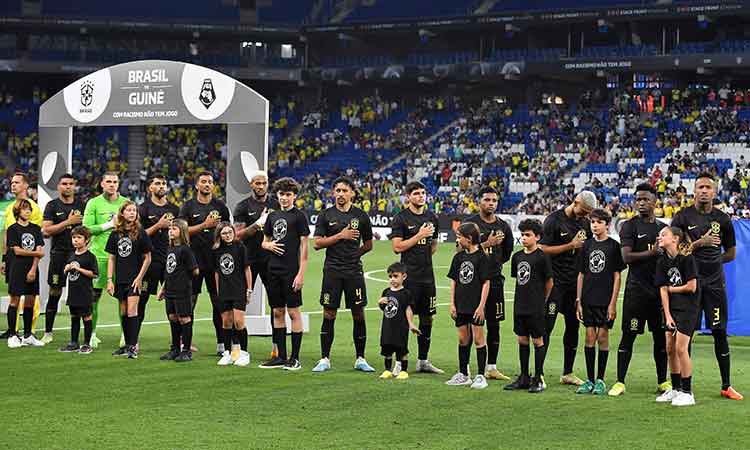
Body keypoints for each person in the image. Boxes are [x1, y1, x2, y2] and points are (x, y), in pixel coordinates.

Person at [671, 173, 743, 400]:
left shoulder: (722, 219)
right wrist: (700, 243)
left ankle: (726, 385)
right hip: (690, 284)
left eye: (707, 187)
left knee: (719, 332)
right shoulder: (682, 217)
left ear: (714, 192)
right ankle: (682, 388)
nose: (703, 190)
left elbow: (731, 253)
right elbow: (676, 252)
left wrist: (713, 261)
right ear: (694, 191)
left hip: (714, 285)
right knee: (686, 335)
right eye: (700, 186)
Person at [609, 183, 669, 397]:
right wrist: (653, 253)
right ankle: (620, 381)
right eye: (638, 199)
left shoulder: (663, 229)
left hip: (658, 293)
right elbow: (626, 258)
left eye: (645, 199)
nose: (641, 203)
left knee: (660, 339)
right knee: (629, 336)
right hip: (636, 292)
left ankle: (663, 382)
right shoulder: (629, 226)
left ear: (655, 201)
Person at [312, 177, 375, 373]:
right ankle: (324, 359)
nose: (340, 194)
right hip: (332, 270)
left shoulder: (361, 216)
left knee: (358, 313)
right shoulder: (325, 215)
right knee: (329, 312)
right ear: (333, 193)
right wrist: (340, 236)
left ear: (352, 194)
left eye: (344, 190)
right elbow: (317, 243)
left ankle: (360, 359)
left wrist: (355, 254)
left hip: (354, 271)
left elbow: (368, 244)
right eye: (337, 190)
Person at [540, 190, 597, 386]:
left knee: (573, 327)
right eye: (584, 211)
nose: (586, 216)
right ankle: (538, 372)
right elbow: (542, 249)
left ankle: (568, 373)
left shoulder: (585, 223)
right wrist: (570, 246)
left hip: (575, 284)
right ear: (575, 202)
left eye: (589, 213)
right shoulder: (553, 220)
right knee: (547, 326)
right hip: (555, 283)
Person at [390, 181, 443, 374]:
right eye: (416, 194)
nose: (421, 196)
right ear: (408, 197)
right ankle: (399, 362)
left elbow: (434, 244)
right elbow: (397, 247)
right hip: (409, 278)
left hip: (427, 277)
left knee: (428, 318)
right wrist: (419, 235)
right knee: (404, 318)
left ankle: (423, 360)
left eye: (423, 193)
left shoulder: (432, 218)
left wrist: (425, 257)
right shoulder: (401, 218)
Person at [258, 177, 309, 370]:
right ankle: (280, 356)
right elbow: (264, 241)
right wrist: (267, 244)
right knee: (277, 311)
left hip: (291, 271)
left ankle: (294, 358)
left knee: (293, 312)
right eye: (281, 194)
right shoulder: (272, 216)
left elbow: (305, 248)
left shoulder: (299, 217)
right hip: (273, 270)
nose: (284, 198)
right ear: (277, 196)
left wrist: (301, 274)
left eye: (288, 194)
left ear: (294, 196)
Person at [464, 186, 513, 381]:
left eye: (494, 200)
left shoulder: (504, 226)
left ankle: (491, 367)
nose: (491, 203)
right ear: (479, 202)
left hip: (495, 282)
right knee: (469, 324)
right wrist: (486, 244)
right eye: (487, 200)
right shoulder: (470, 224)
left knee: (494, 324)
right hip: (472, 284)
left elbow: (507, 253)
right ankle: (465, 366)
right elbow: (460, 251)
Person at [179, 171, 230, 355]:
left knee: (218, 302)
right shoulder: (188, 206)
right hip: (193, 263)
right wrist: (204, 226)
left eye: (210, 181)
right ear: (197, 185)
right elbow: (181, 231)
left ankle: (222, 344)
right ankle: (185, 343)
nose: (207, 184)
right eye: (203, 181)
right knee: (190, 302)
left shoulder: (221, 207)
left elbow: (228, 232)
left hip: (216, 262)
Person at [575, 209, 625, 395]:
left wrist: (613, 303)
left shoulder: (613, 246)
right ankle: (589, 379)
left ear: (607, 224)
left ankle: (600, 380)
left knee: (603, 337)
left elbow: (617, 276)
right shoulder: (586, 246)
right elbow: (581, 274)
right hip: (588, 298)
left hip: (605, 300)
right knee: (589, 337)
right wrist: (579, 300)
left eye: (598, 222)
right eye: (592, 222)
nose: (594, 225)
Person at [233, 170, 279, 359]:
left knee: (276, 304)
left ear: (268, 184)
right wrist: (258, 224)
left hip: (271, 259)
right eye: (257, 183)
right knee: (240, 302)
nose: (261, 186)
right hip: (247, 260)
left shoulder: (276, 204)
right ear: (251, 184)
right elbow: (237, 235)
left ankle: (277, 348)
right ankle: (238, 348)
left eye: (264, 183)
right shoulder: (243, 206)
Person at [505, 219, 553, 393]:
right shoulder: (517, 257)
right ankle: (524, 377)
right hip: (520, 305)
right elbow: (518, 280)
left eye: (528, 235)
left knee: (537, 341)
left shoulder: (542, 257)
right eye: (522, 234)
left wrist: (542, 301)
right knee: (522, 339)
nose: (524, 238)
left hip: (535, 306)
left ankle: (538, 378)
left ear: (537, 237)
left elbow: (549, 282)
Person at [82, 171, 129, 348]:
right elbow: (86, 229)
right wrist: (110, 225)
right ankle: (92, 334)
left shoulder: (125, 203)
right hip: (99, 257)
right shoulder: (94, 203)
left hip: (122, 257)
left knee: (123, 297)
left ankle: (126, 334)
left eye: (115, 182)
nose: (112, 184)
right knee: (94, 297)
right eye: (108, 181)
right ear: (102, 184)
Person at [655, 227, 700, 406]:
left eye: (664, 235)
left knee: (681, 349)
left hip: (688, 309)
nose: (660, 237)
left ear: (675, 239)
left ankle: (688, 392)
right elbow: (662, 290)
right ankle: (675, 389)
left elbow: (692, 287)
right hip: (671, 310)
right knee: (670, 349)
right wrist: (667, 315)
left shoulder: (687, 259)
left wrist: (673, 289)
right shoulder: (662, 262)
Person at [445, 223, 491, 389]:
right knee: (463, 339)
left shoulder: (482, 257)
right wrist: (452, 304)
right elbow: (453, 281)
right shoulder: (458, 258)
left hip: (475, 305)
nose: (457, 239)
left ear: (469, 238)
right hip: (461, 305)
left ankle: (480, 375)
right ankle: (463, 374)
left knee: (479, 339)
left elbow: (486, 283)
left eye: (459, 236)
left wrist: (481, 307)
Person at [41, 174, 84, 345]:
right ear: (58, 186)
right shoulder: (52, 206)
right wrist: (68, 222)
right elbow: (45, 231)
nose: (67, 187)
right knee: (55, 292)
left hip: (78, 255)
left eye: (71, 184)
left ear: (75, 186)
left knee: (77, 294)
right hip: (59, 255)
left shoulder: (82, 205)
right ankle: (48, 332)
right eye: (64, 183)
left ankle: (78, 336)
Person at [105, 201, 152, 359]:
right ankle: (126, 345)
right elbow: (111, 258)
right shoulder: (115, 234)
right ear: (122, 213)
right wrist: (110, 280)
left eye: (134, 210)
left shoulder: (141, 232)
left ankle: (133, 347)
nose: (132, 213)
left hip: (134, 279)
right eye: (129, 210)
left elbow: (148, 258)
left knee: (133, 311)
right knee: (124, 311)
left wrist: (139, 278)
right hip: (121, 279)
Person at [138, 175, 179, 346]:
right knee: (143, 299)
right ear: (150, 188)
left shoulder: (175, 210)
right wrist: (158, 226)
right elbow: (137, 236)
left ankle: (178, 341)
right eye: (157, 183)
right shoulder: (143, 208)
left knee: (173, 300)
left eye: (163, 183)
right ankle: (134, 339)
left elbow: (181, 235)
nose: (161, 186)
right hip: (151, 262)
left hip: (170, 260)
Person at [1, 172, 43, 340]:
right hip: (13, 258)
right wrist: (4, 259)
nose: (13, 185)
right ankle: (13, 331)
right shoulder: (9, 207)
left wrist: (35, 259)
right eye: (12, 182)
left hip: (28, 257)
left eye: (17, 182)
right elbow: (6, 235)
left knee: (30, 296)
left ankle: (29, 331)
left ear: (26, 186)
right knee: (15, 295)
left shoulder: (34, 208)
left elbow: (34, 236)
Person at [5, 199, 45, 348]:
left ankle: (28, 335)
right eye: (24, 209)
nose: (27, 211)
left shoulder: (35, 228)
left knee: (30, 300)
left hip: (32, 269)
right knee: (14, 300)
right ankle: (12, 335)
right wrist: (36, 253)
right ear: (17, 211)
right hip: (17, 268)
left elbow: (40, 251)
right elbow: (17, 250)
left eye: (29, 209)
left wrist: (34, 268)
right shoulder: (13, 229)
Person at [159, 219, 199, 362]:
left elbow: (195, 271)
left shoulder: (185, 249)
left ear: (181, 232)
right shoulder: (170, 248)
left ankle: (186, 350)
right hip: (169, 290)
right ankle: (175, 349)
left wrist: (182, 279)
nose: (170, 231)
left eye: (174, 228)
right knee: (172, 317)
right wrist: (163, 289)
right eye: (169, 228)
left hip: (182, 290)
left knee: (184, 318)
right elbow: (168, 271)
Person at [213, 222, 252, 367]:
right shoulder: (216, 251)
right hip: (224, 291)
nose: (227, 235)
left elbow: (247, 269)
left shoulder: (240, 247)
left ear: (234, 233)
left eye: (230, 232)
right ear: (219, 236)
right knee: (226, 322)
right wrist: (218, 291)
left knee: (239, 322)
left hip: (238, 290)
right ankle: (228, 353)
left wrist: (249, 289)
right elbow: (217, 272)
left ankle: (244, 353)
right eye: (224, 233)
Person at [58, 226, 98, 354]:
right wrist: (66, 269)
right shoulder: (71, 255)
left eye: (79, 237)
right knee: (74, 317)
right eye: (74, 238)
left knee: (86, 317)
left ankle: (87, 344)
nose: (75, 240)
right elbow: (67, 272)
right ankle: (74, 342)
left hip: (85, 292)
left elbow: (94, 274)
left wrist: (79, 269)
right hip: (73, 292)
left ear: (86, 240)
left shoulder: (90, 256)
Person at [378, 262, 419, 380]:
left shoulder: (406, 293)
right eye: (390, 277)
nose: (392, 279)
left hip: (401, 326)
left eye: (395, 276)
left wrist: (411, 324)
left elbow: (408, 309)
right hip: (387, 326)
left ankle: (404, 371)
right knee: (387, 349)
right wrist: (380, 303)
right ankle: (387, 370)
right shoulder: (386, 292)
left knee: (401, 349)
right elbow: (385, 309)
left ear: (404, 276)